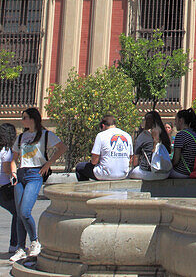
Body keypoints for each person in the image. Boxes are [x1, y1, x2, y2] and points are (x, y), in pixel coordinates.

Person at [9, 107, 66, 263]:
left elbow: (62, 148)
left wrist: (48, 164)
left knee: (25, 211)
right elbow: (14, 158)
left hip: (35, 174)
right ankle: (21, 248)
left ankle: (35, 241)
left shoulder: (46, 135)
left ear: (33, 119)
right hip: (21, 175)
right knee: (19, 213)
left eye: (24, 117)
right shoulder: (21, 137)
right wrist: (13, 173)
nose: (22, 120)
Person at [75, 115, 132, 182]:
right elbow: (130, 159)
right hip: (123, 174)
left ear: (103, 126)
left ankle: (85, 190)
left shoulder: (101, 135)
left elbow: (94, 161)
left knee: (80, 167)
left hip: (106, 174)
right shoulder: (127, 135)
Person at [129, 111, 172, 180]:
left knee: (131, 172)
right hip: (165, 173)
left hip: (149, 172)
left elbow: (135, 159)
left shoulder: (143, 135)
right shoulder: (164, 135)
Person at [170, 109, 196, 179]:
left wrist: (168, 164)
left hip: (183, 172)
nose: (175, 123)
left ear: (181, 121)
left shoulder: (181, 135)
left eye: (176, 120)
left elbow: (176, 160)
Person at [0, 123, 20, 258]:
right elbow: (7, 169)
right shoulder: (7, 151)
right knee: (18, 213)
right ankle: (14, 245)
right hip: (4, 187)